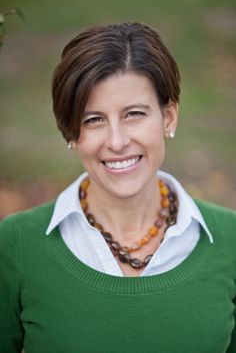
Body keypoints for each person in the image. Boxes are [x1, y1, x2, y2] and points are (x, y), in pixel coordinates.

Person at [0, 22, 236, 353]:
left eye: (134, 114)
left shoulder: (231, 241)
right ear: (71, 134)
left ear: (168, 117)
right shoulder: (17, 246)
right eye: (93, 120)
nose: (116, 141)